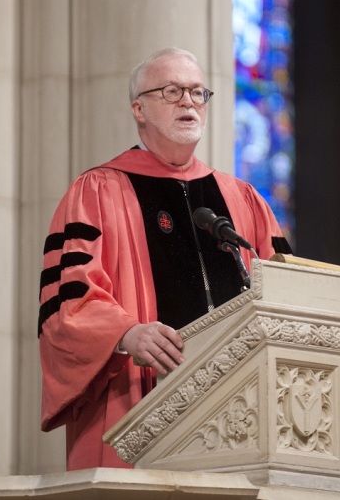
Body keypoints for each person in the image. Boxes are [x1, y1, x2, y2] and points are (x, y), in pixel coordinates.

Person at [38, 47, 289, 470]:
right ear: (139, 108)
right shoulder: (97, 192)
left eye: (196, 92)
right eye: (172, 91)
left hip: (240, 409)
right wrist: (125, 333)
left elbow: (287, 292)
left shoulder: (242, 199)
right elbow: (67, 300)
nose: (188, 102)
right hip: (135, 398)